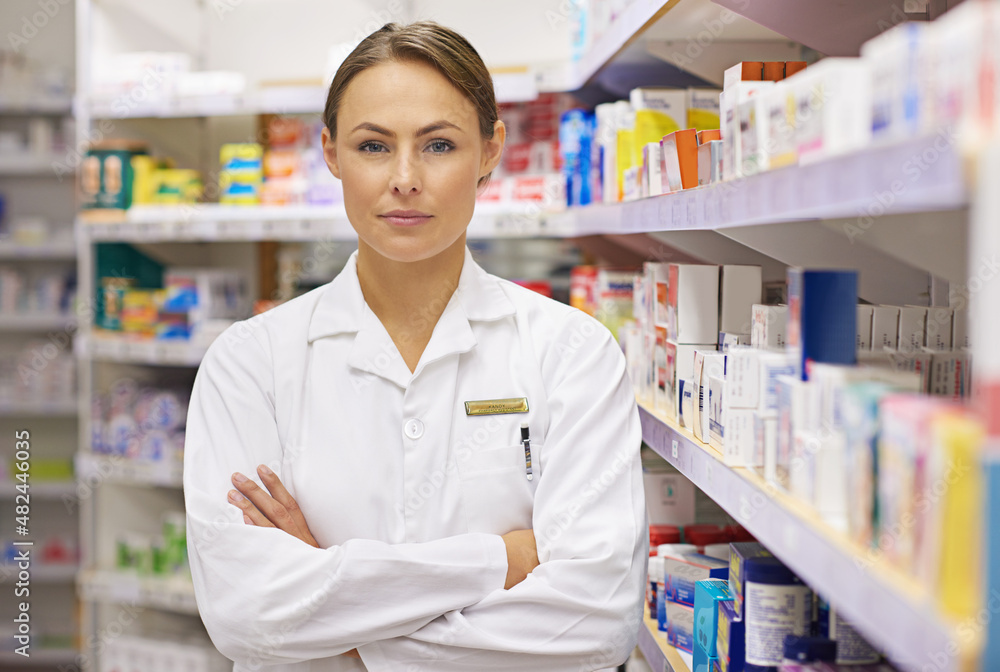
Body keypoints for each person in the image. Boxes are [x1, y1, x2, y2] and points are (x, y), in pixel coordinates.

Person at [183, 21, 646, 672]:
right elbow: (246, 614)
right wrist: (504, 559)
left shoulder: (572, 352)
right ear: (331, 153)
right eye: (373, 146)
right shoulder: (250, 363)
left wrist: (334, 612)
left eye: (438, 145)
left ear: (490, 151)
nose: (404, 178)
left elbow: (593, 625)